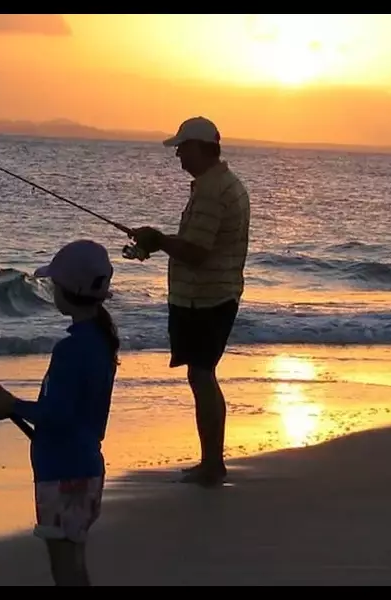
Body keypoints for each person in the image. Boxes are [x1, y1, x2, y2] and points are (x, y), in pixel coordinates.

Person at [0, 239, 119, 587]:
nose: (52, 290)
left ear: (67, 289)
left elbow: (57, 414)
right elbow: (72, 413)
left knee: (64, 568)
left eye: (54, 284)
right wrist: (15, 406)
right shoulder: (101, 342)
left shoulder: (71, 349)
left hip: (63, 474)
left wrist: (10, 406)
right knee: (74, 563)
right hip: (86, 468)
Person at [128, 116, 251, 488]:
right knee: (201, 375)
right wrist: (158, 243)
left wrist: (159, 239)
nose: (178, 154)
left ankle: (212, 464)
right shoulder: (218, 185)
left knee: (201, 375)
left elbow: (196, 253)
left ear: (200, 148)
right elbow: (197, 247)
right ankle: (211, 461)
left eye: (182, 147)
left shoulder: (214, 191)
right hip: (210, 295)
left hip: (206, 299)